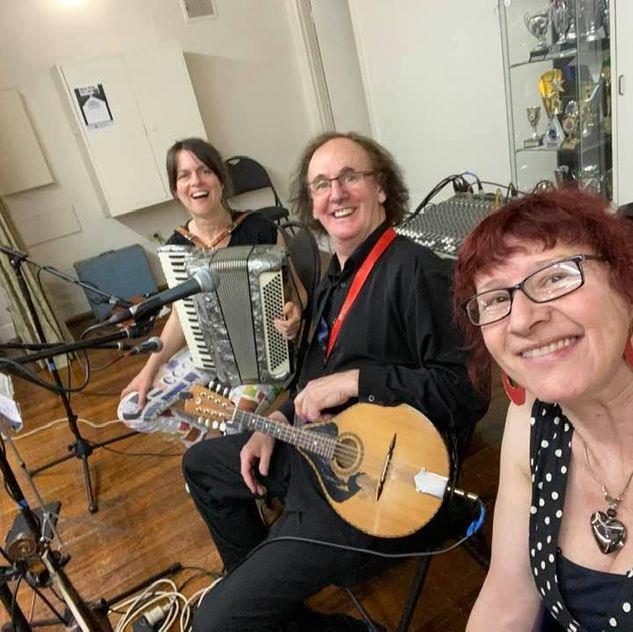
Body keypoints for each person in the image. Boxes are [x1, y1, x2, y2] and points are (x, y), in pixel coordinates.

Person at [182, 131, 487, 631]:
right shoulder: (334, 274)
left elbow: (467, 391)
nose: (336, 193)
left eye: (350, 177)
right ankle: (273, 609)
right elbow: (313, 375)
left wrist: (358, 381)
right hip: (316, 448)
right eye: (321, 184)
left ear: (381, 187)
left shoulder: (418, 271)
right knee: (202, 466)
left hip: (377, 483)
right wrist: (276, 421)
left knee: (214, 625)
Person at [453, 188, 633, 632]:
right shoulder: (531, 422)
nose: (522, 319)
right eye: (496, 299)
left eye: (554, 276)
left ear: (624, 281)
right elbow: (506, 598)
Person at [119, 138, 300, 445]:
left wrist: (294, 314)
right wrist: (148, 370)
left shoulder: (260, 228)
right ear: (175, 189)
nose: (196, 182)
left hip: (264, 356)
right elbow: (179, 317)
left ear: (220, 179)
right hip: (205, 355)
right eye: (184, 175)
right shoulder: (177, 248)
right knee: (132, 409)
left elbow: (297, 293)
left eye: (204, 171)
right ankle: (204, 444)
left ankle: (223, 447)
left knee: (235, 424)